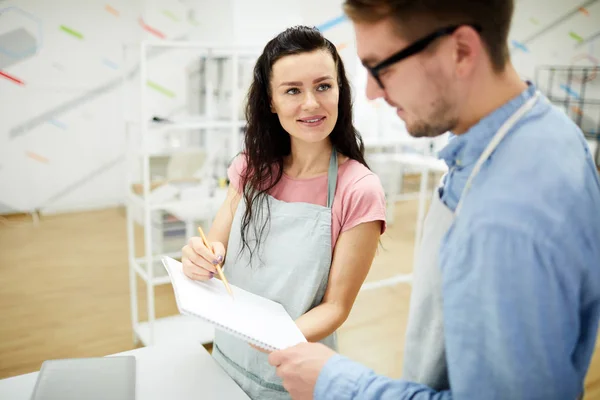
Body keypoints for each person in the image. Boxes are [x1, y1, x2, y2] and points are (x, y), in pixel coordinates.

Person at [268, 1, 600, 399]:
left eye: (383, 68)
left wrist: (339, 385)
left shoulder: (505, 218)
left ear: (460, 51)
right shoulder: (546, 132)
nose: (372, 92)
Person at [181, 25, 387, 399]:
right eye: (292, 90)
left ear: (341, 91)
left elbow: (336, 307)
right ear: (271, 102)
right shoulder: (249, 167)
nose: (311, 103)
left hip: (294, 375)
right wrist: (199, 258)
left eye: (323, 86)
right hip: (226, 356)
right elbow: (214, 245)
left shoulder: (359, 189)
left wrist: (271, 336)